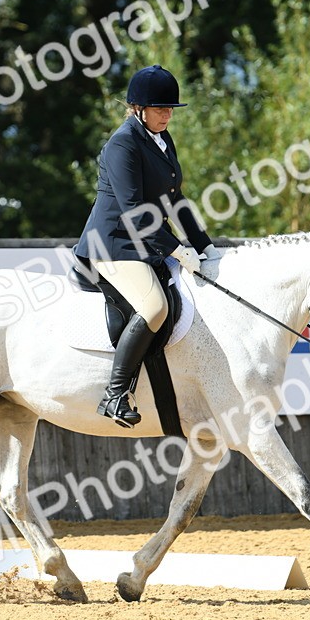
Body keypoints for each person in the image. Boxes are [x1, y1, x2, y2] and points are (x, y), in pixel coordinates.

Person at [73, 64, 215, 428]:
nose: (167, 115)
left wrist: (204, 246)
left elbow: (175, 201)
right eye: (160, 109)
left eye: (170, 109)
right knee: (154, 307)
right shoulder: (123, 143)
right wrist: (175, 249)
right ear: (137, 108)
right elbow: (135, 212)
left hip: (145, 243)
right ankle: (116, 393)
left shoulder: (162, 140)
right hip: (112, 243)